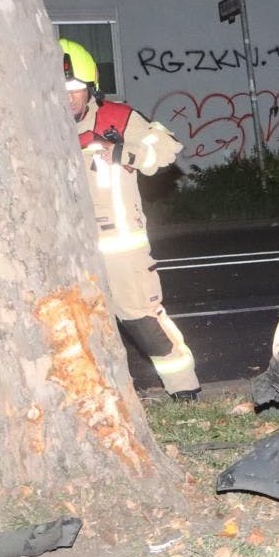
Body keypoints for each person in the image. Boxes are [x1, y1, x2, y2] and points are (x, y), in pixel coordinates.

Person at [60, 38, 201, 402]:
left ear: (91, 88)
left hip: (121, 250)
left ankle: (184, 390)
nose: (69, 97)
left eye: (75, 89)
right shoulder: (44, 130)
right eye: (61, 89)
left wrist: (123, 150)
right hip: (67, 253)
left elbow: (167, 148)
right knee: (74, 328)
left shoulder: (117, 118)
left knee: (144, 325)